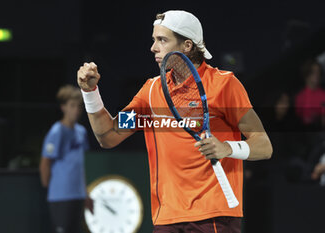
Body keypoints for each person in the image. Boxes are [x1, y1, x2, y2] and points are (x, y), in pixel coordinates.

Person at [77, 10, 272, 233]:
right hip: (166, 218)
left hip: (214, 216)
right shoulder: (151, 92)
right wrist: (90, 92)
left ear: (187, 45)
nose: (153, 48)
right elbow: (108, 136)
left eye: (162, 40)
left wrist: (227, 148)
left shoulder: (224, 85)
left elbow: (263, 145)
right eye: (154, 40)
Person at [39, 85, 93, 233]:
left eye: (79, 106)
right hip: (61, 198)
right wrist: (53, 188)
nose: (76, 110)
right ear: (63, 107)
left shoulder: (81, 132)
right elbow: (45, 163)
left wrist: (85, 194)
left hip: (78, 196)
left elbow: (79, 166)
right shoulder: (56, 132)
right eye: (72, 106)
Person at [295, 59, 325, 127]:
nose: (317, 75)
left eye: (318, 72)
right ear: (306, 74)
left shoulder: (323, 94)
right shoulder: (299, 97)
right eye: (313, 72)